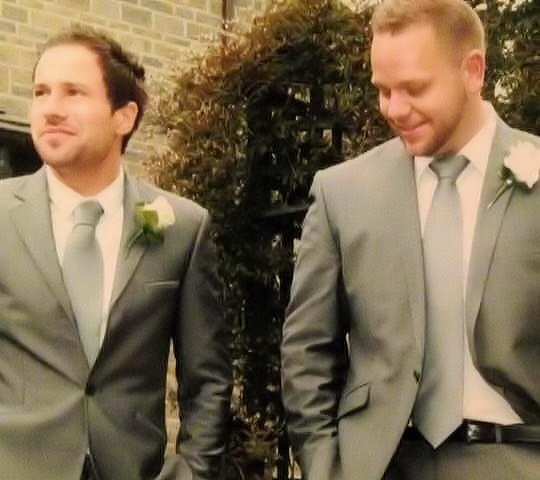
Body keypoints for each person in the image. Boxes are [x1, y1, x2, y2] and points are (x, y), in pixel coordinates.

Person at [280, 0, 540, 479]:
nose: (395, 109)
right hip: (381, 466)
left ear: (473, 71)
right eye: (383, 90)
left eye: (415, 88)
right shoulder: (343, 193)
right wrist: (325, 468)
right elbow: (307, 354)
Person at [0, 27, 231, 480]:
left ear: (124, 116)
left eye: (73, 92)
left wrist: (193, 472)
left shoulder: (182, 227)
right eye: (41, 92)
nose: (51, 108)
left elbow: (207, 382)